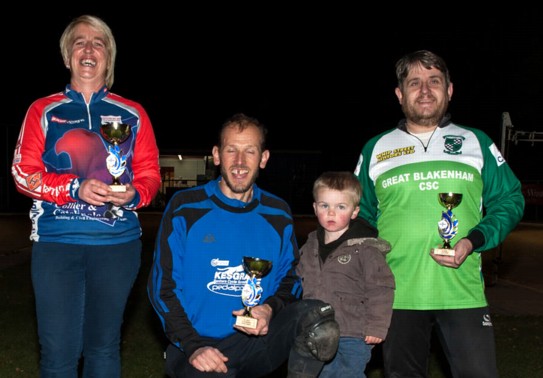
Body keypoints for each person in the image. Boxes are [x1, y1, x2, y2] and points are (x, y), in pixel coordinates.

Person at [354, 49, 525, 377]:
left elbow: (509, 200)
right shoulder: (375, 148)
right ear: (399, 94)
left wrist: (474, 240)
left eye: (434, 81)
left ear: (449, 90)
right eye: (414, 83)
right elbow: (362, 216)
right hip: (397, 296)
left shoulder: (476, 142)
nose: (424, 90)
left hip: (462, 294)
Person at [11, 14, 161, 377]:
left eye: (99, 43)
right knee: (58, 354)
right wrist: (73, 188)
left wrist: (134, 194)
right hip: (57, 244)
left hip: (117, 245)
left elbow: (150, 175)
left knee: (103, 349)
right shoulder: (42, 110)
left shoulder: (133, 113)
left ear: (108, 57)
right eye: (80, 42)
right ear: (67, 56)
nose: (89, 48)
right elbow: (22, 173)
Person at [147, 113, 340, 377]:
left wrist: (268, 309)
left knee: (318, 318)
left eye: (249, 151)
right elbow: (162, 289)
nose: (239, 161)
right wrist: (193, 346)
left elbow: (291, 281)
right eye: (231, 150)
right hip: (198, 344)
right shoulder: (185, 208)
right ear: (217, 155)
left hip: (256, 344)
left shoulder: (278, 213)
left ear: (263, 158)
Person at [296, 171, 395, 377]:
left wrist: (376, 327)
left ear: (354, 211)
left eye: (341, 207)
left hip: (351, 333)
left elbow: (380, 289)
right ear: (315, 208)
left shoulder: (366, 249)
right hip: (313, 329)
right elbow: (298, 281)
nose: (331, 213)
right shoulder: (310, 244)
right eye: (325, 206)